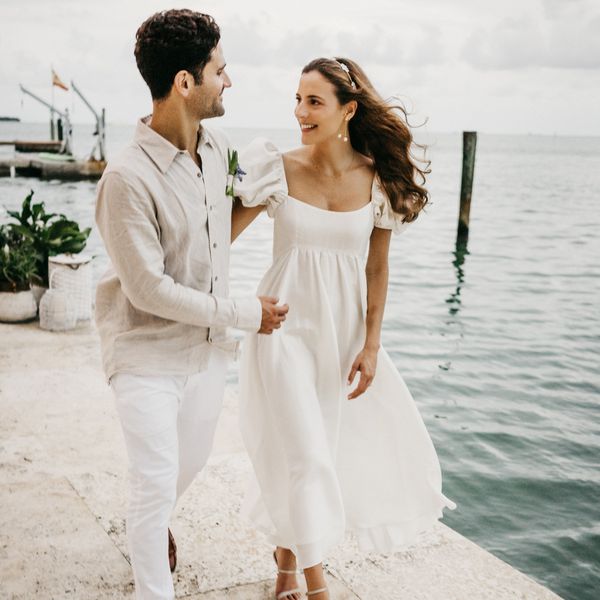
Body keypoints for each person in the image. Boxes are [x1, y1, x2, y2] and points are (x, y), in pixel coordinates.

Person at [231, 57, 456, 599]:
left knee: (318, 453)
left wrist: (372, 345)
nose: (300, 112)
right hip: (281, 329)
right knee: (307, 453)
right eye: (298, 99)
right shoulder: (274, 167)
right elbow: (217, 242)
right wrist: (230, 307)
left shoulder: (377, 179)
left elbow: (377, 268)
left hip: (342, 333)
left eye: (314, 101)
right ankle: (318, 588)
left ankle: (286, 560)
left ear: (347, 110)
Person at [94, 10, 288, 599]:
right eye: (220, 71)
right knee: (153, 482)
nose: (229, 82)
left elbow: (213, 235)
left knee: (188, 465)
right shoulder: (125, 179)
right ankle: (152, 574)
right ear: (185, 82)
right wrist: (246, 313)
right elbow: (148, 289)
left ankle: (147, 530)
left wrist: (271, 189)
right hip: (144, 351)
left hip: (205, 351)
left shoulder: (218, 148)